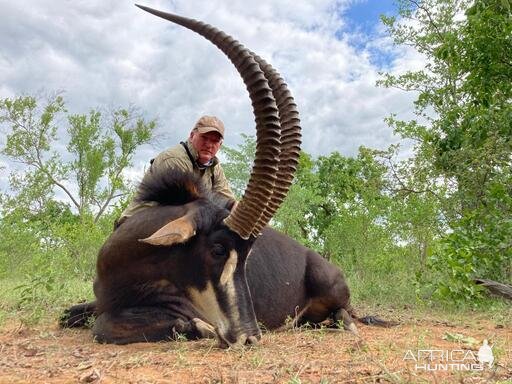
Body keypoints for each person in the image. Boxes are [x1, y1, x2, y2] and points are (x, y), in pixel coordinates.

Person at [117, 115, 236, 226]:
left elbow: (228, 201)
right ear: (192, 135)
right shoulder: (174, 159)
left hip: (171, 222)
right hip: (136, 225)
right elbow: (192, 206)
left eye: (214, 141)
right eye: (204, 137)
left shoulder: (214, 166)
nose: (209, 145)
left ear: (220, 145)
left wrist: (241, 210)